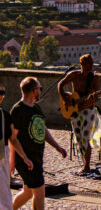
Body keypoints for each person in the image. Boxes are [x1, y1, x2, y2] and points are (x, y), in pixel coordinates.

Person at [58, 54, 101, 175]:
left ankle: (87, 166)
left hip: (88, 112)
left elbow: (97, 97)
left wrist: (92, 98)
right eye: (86, 66)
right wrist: (65, 98)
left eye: (90, 66)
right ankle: (85, 164)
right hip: (75, 113)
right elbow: (60, 85)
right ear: (81, 65)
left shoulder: (94, 78)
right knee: (79, 139)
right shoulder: (74, 75)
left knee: (86, 138)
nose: (89, 68)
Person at [11, 77, 67, 210]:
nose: (41, 91)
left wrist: (58, 147)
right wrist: (24, 158)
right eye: (39, 88)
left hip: (36, 157)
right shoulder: (18, 110)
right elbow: (13, 138)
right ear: (33, 90)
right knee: (40, 192)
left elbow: (43, 129)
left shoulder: (36, 108)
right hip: (26, 160)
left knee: (28, 192)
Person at [0, 85, 34, 210]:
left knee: (4, 198)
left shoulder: (5, 117)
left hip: (1, 159)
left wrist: (24, 157)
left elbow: (13, 139)